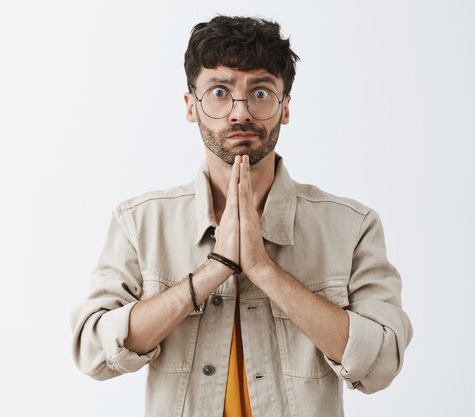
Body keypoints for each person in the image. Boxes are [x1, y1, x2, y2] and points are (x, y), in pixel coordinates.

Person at [71, 15, 413, 417]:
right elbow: (92, 352)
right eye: (219, 91)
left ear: (284, 108)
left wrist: (264, 270)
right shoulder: (140, 221)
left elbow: (382, 363)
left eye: (261, 93)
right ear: (191, 107)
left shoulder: (352, 225)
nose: (239, 113)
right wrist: (212, 271)